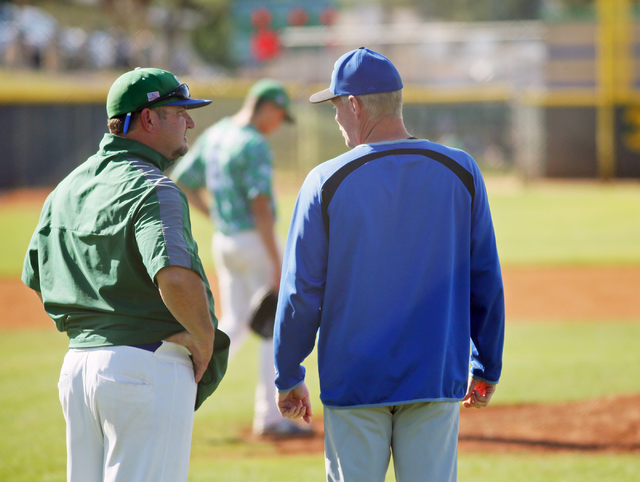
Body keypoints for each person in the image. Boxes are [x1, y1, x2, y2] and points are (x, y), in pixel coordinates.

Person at [273, 47, 505, 481]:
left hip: (354, 379)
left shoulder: (325, 180)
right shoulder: (462, 169)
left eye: (337, 106)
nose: (337, 117)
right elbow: (485, 278)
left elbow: (301, 293)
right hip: (435, 373)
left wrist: (288, 372)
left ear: (355, 105)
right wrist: (487, 363)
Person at [22, 67, 230, 482]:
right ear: (148, 119)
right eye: (179, 111)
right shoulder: (154, 187)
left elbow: (36, 274)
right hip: (147, 365)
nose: (190, 121)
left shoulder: (65, 188)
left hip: (78, 370)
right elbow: (173, 275)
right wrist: (204, 337)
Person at [171, 79, 309, 437]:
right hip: (254, 240)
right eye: (280, 115)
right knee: (272, 328)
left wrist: (215, 215)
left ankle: (182, 388)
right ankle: (271, 417)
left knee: (235, 321)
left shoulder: (217, 134)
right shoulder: (253, 144)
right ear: (267, 106)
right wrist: (277, 263)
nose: (279, 123)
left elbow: (183, 178)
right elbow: (261, 206)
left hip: (225, 240)